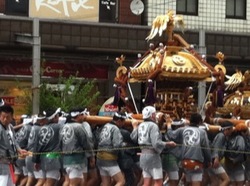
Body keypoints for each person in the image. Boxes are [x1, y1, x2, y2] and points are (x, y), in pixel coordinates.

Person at [130, 106, 176, 186]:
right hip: (152, 156)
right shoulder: (153, 126)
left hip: (143, 156)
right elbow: (156, 143)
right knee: (158, 182)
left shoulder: (141, 125)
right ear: (152, 115)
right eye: (154, 114)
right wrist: (168, 144)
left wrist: (134, 127)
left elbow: (133, 138)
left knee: (146, 182)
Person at [166, 113, 212, 186]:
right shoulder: (202, 132)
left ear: (190, 121)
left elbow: (171, 135)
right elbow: (206, 148)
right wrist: (209, 160)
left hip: (185, 162)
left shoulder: (182, 130)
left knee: (189, 182)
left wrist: (168, 125)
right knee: (195, 183)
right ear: (200, 122)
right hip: (196, 162)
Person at [60, 108, 94, 186]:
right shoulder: (78, 127)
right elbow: (86, 143)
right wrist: (91, 156)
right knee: (74, 183)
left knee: (74, 181)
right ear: (78, 115)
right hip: (76, 159)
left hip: (66, 158)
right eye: (82, 115)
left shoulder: (64, 127)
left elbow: (60, 143)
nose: (84, 117)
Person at [32, 108, 63, 186]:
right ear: (54, 117)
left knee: (46, 182)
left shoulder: (41, 129)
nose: (58, 118)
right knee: (49, 183)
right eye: (57, 116)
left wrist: (36, 160)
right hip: (53, 158)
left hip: (42, 159)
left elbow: (37, 146)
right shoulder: (59, 127)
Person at [96, 112, 126, 186]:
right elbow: (117, 145)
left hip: (99, 157)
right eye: (123, 121)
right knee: (121, 181)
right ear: (119, 121)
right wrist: (124, 144)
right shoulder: (115, 129)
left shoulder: (105, 126)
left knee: (105, 183)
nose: (124, 123)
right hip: (109, 158)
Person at [0, 105, 27, 186]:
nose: (5, 119)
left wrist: (19, 149)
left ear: (12, 117)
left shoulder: (10, 127)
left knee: (11, 184)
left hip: (10, 162)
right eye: (3, 117)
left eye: (8, 117)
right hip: (2, 162)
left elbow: (14, 141)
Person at [206, 120, 231, 186]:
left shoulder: (221, 136)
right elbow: (216, 147)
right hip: (214, 160)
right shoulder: (221, 136)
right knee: (227, 180)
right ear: (227, 129)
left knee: (215, 182)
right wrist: (216, 158)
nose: (232, 131)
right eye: (231, 129)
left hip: (210, 160)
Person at [224, 121, 246, 186]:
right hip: (232, 163)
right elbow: (241, 149)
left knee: (236, 182)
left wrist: (234, 160)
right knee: (234, 182)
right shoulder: (227, 137)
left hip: (234, 162)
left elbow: (241, 149)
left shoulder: (238, 137)